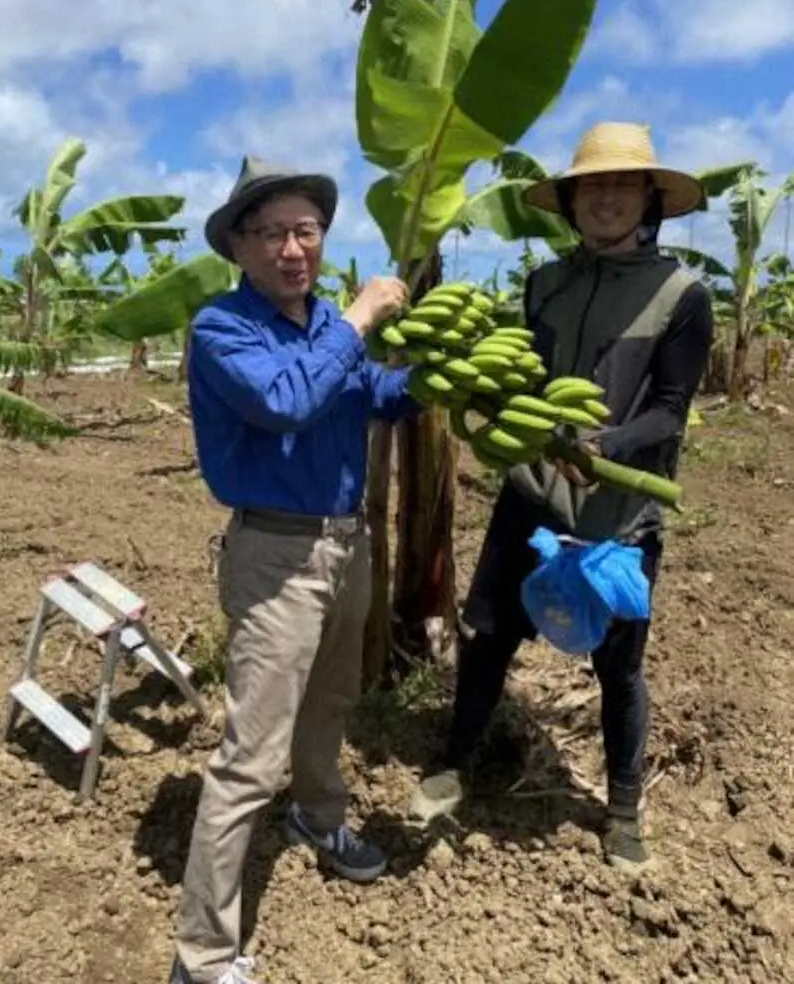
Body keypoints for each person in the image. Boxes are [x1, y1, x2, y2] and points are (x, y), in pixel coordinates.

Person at [409, 121, 713, 873]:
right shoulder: (544, 283)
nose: (604, 199)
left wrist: (602, 446)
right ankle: (455, 761)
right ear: (571, 203)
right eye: (590, 187)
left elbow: (669, 410)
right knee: (489, 636)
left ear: (649, 199)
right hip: (531, 494)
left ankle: (620, 808)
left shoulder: (682, 295)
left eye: (620, 185)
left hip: (617, 511)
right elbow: (525, 383)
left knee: (618, 665)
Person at [169, 155, 419, 984]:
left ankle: (318, 818)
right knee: (250, 757)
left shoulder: (322, 326)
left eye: (304, 230)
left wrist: (442, 368)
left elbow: (370, 397)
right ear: (237, 247)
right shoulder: (221, 329)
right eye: (270, 232)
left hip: (345, 544)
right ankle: (202, 955)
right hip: (274, 552)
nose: (290, 248)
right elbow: (286, 401)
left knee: (331, 701)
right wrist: (360, 316)